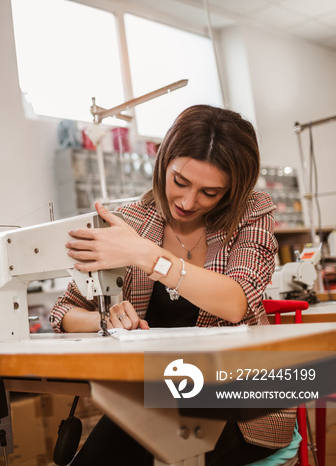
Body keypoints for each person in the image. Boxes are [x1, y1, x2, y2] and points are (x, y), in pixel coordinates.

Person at [49, 105, 295, 465]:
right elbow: (64, 311)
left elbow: (237, 301)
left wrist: (150, 257)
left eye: (209, 192)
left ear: (231, 190)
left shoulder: (251, 212)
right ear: (164, 161)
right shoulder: (132, 221)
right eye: (180, 181)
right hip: (156, 396)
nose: (187, 201)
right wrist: (106, 319)